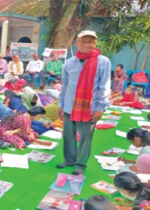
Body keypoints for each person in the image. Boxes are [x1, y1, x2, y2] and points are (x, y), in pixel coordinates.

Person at [57, 30, 111, 175]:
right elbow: (65, 85)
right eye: (83, 41)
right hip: (69, 106)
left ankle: (80, 164)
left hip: (89, 108)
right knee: (68, 135)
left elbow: (104, 85)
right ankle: (69, 160)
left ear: (95, 43)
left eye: (90, 41)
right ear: (77, 43)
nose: (87, 44)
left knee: (85, 138)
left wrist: (100, 107)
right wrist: (60, 104)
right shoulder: (70, 62)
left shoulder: (103, 61)